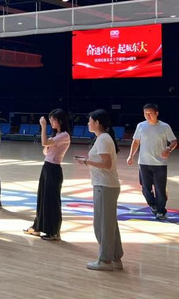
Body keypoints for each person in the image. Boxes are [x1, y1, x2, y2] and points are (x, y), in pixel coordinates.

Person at [77, 109, 124, 271]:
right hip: (106, 185)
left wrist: (86, 162)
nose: (88, 123)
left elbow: (107, 163)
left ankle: (105, 260)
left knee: (102, 224)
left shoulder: (103, 139)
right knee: (109, 224)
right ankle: (116, 258)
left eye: (90, 120)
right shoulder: (103, 138)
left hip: (104, 186)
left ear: (97, 123)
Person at [25, 109, 71, 241]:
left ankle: (54, 231)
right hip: (47, 167)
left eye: (53, 119)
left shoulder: (64, 135)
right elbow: (45, 151)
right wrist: (48, 140)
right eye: (50, 119)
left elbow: (44, 143)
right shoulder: (56, 136)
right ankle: (38, 226)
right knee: (42, 198)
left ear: (60, 120)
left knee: (52, 200)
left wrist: (43, 127)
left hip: (54, 169)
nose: (51, 121)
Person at [127, 103, 178, 220]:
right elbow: (136, 141)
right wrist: (131, 156)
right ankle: (152, 205)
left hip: (160, 163)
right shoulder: (140, 126)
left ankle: (160, 210)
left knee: (160, 188)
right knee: (145, 187)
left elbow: (174, 141)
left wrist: (168, 149)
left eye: (150, 113)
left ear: (156, 113)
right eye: (145, 114)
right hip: (143, 162)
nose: (148, 116)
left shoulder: (164, 127)